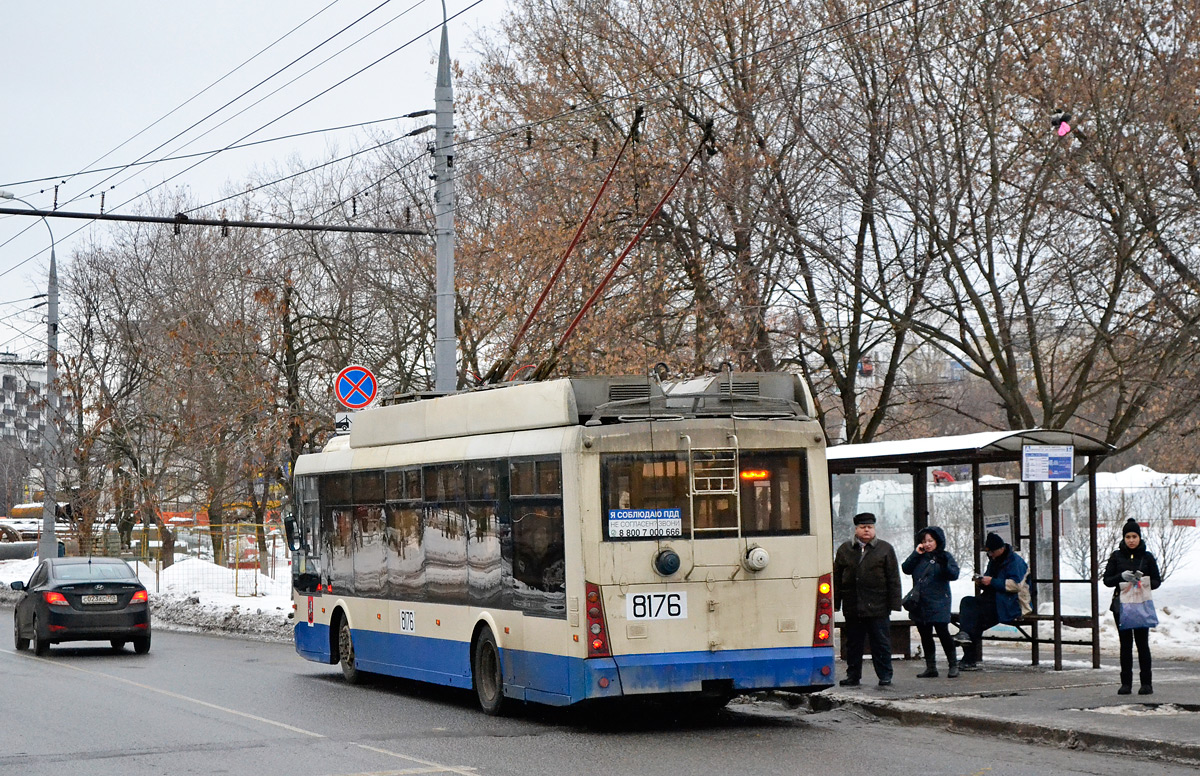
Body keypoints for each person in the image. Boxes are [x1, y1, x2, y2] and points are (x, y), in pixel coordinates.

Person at [833, 512, 902, 687]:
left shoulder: (885, 549)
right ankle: (853, 675)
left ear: (874, 529)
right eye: (863, 527)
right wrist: (836, 602)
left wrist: (894, 603)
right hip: (853, 605)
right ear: (856, 529)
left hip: (878, 606)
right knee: (853, 644)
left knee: (881, 643)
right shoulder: (845, 550)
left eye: (869, 527)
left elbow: (893, 577)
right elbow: (837, 577)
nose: (866, 530)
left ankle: (885, 676)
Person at [1102, 518, 1162, 696]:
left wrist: (1143, 581)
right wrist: (1122, 576)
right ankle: (1125, 683)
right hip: (1122, 606)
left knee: (1142, 644)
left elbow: (1157, 581)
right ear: (1124, 538)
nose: (1131, 540)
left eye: (1134, 536)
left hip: (1141, 605)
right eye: (1128, 536)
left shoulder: (1147, 556)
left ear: (1139, 537)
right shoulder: (1116, 556)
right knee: (1125, 645)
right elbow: (1107, 580)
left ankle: (1146, 683)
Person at [952, 532, 1028, 670]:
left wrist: (992, 581)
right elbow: (990, 580)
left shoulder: (1015, 562)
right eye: (988, 553)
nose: (990, 555)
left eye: (992, 552)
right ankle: (966, 643)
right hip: (992, 600)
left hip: (1009, 603)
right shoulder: (994, 560)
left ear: (1001, 548)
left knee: (974, 620)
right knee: (967, 602)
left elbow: (1015, 585)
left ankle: (969, 657)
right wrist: (981, 582)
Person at [902, 526, 961, 678]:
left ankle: (953, 665)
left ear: (937, 541)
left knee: (943, 633)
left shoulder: (945, 556)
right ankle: (931, 667)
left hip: (939, 601)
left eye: (930, 541)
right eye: (924, 541)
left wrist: (943, 564)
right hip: (920, 603)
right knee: (925, 635)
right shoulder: (919, 557)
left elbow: (953, 574)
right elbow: (906, 568)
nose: (927, 544)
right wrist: (915, 554)